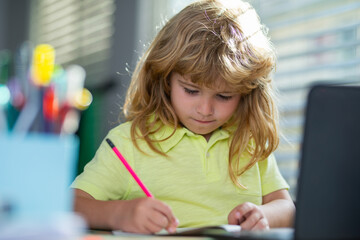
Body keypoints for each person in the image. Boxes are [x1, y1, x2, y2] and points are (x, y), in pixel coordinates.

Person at [71, 0, 295, 234]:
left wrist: (264, 216)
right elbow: (72, 205)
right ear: (165, 78)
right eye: (191, 90)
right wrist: (120, 214)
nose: (205, 109)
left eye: (224, 96)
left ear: (246, 92)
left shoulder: (249, 144)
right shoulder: (130, 143)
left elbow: (287, 209)